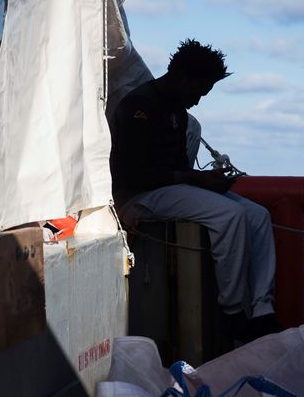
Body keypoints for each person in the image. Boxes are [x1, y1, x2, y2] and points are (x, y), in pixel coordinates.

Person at [110, 39, 282, 341]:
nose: (199, 101)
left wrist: (202, 180)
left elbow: (177, 171)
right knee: (230, 216)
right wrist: (197, 180)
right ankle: (233, 313)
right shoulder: (139, 106)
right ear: (181, 78)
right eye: (199, 91)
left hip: (170, 188)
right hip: (140, 197)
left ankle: (262, 310)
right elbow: (132, 175)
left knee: (257, 216)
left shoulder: (176, 110)